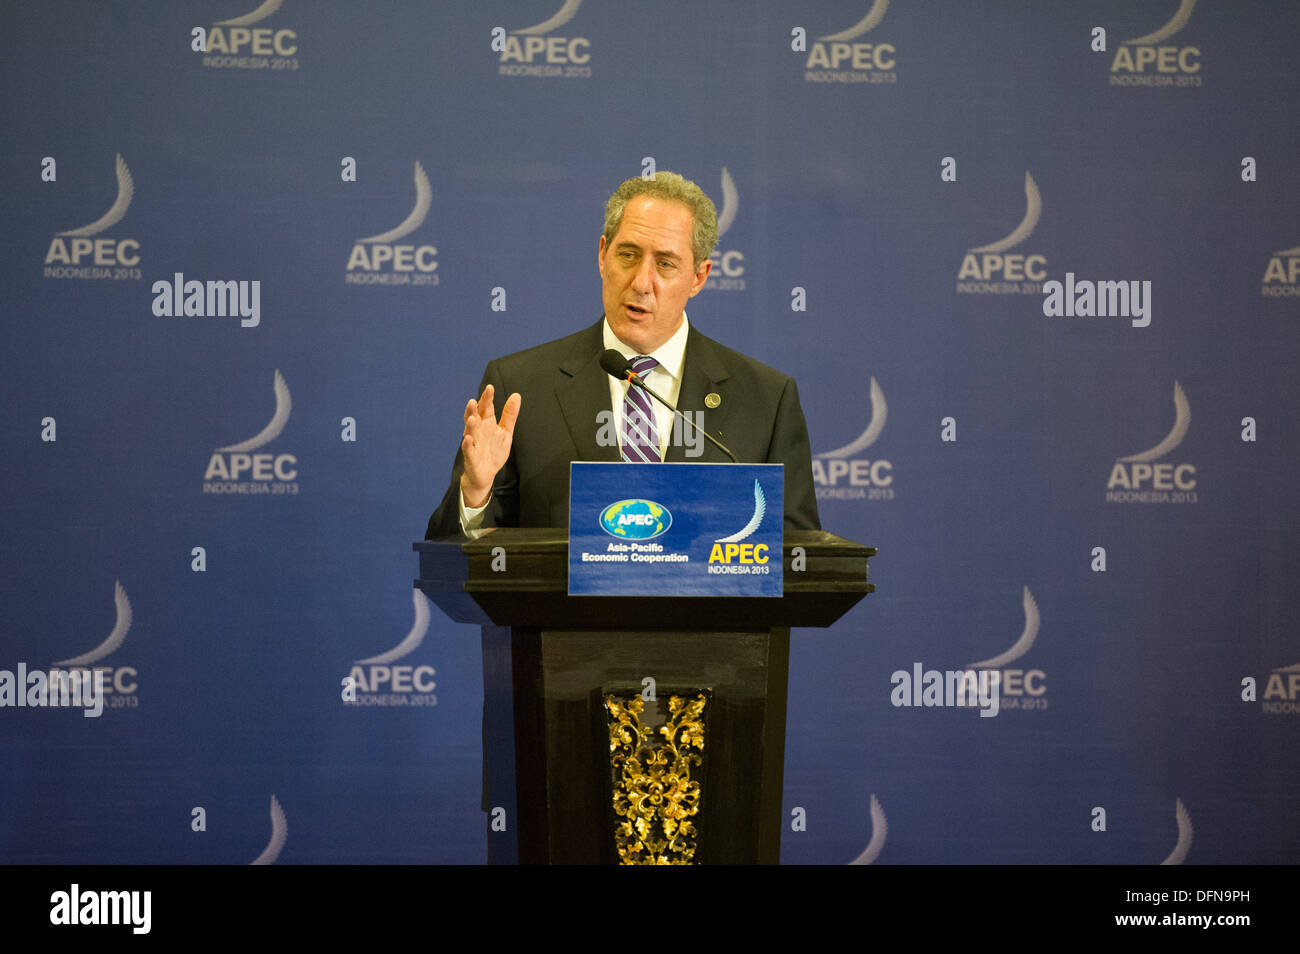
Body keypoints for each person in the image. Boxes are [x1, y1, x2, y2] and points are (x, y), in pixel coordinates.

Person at [425, 171, 820, 537]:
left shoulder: (766, 401)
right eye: (628, 255)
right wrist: (475, 495)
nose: (641, 282)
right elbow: (450, 555)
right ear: (602, 255)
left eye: (665, 264)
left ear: (699, 277)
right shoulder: (521, 387)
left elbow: (798, 558)